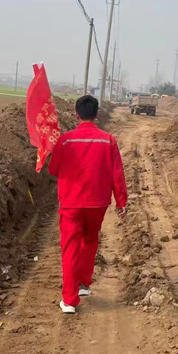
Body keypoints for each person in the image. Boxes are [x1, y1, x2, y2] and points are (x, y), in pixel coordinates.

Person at [48, 95, 127, 313]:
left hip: (71, 203)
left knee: (70, 247)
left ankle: (69, 300)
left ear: (76, 115)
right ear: (97, 114)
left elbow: (53, 169)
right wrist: (121, 201)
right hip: (97, 203)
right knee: (90, 240)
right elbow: (117, 174)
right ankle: (83, 283)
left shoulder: (65, 140)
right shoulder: (108, 141)